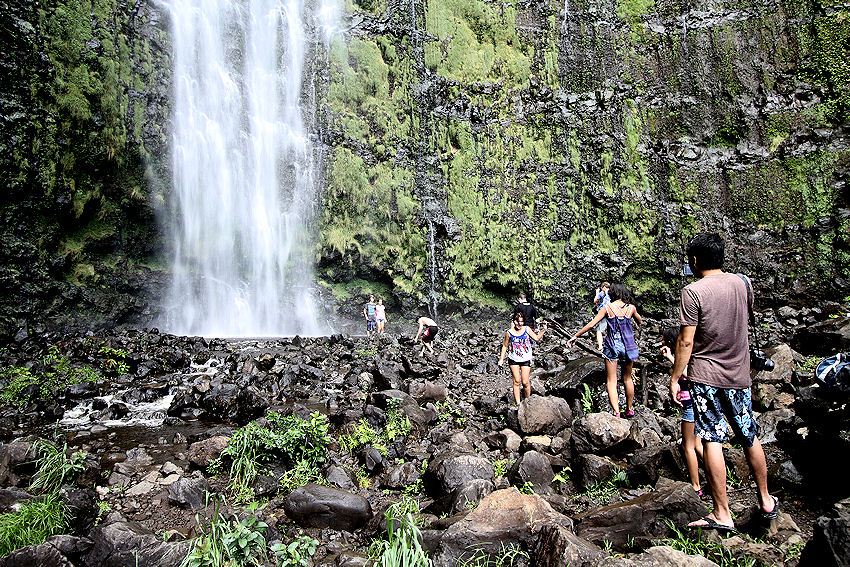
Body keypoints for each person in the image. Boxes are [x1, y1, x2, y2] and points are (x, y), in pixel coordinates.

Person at [671, 233, 778, 533]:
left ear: (695, 260)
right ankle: (767, 500)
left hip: (706, 378)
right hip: (739, 375)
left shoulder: (693, 292)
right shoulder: (743, 283)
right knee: (749, 436)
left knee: (712, 440)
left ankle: (722, 512)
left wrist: (677, 376)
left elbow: (686, 340)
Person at [567, 283, 642, 417]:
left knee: (611, 380)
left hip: (612, 345)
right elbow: (640, 321)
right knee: (627, 378)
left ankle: (616, 411)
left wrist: (576, 335)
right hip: (628, 346)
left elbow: (592, 324)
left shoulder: (607, 308)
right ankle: (630, 409)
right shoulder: (631, 308)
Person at [661, 326, 704, 496]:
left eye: (664, 338)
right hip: (699, 402)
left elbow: (688, 373)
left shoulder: (683, 354)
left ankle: (696, 487)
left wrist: (672, 358)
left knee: (689, 446)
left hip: (691, 405)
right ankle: (716, 478)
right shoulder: (693, 350)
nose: (662, 341)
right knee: (699, 445)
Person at [498, 312, 547, 405]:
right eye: (518, 321)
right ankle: (518, 404)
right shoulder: (509, 333)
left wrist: (543, 330)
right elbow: (505, 346)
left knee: (525, 382)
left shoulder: (527, 329)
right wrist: (501, 359)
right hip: (513, 359)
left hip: (526, 358)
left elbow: (536, 338)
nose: (520, 324)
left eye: (522, 321)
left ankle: (528, 401)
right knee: (516, 381)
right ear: (514, 321)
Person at [593, 282, 611, 350]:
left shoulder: (602, 293)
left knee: (599, 330)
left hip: (604, 312)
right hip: (612, 312)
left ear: (603, 287)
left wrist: (597, 293)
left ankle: (600, 346)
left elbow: (595, 301)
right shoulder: (613, 293)